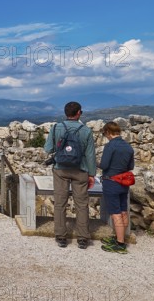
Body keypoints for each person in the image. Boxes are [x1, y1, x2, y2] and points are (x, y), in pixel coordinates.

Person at [43, 101, 97, 249]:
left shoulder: (56, 128)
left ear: (66, 113)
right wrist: (92, 174)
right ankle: (83, 238)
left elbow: (47, 149)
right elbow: (90, 155)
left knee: (60, 203)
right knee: (81, 204)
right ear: (79, 112)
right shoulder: (86, 130)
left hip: (61, 169)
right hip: (81, 171)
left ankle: (61, 236)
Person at [99, 122, 134, 254]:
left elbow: (104, 165)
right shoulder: (128, 147)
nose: (105, 136)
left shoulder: (110, 146)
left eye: (104, 134)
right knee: (123, 211)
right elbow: (131, 166)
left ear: (108, 132)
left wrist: (95, 163)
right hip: (123, 182)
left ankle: (120, 244)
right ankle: (121, 238)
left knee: (115, 213)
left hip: (111, 182)